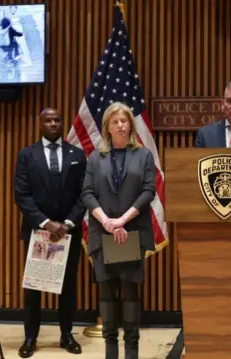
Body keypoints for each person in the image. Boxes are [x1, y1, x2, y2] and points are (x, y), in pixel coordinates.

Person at [80, 102, 156, 359]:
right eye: (115, 122)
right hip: (104, 235)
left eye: (124, 120)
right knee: (107, 296)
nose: (121, 125)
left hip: (131, 234)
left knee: (131, 294)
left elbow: (149, 191)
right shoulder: (94, 157)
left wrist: (122, 220)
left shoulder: (143, 155)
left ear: (131, 125)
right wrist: (107, 223)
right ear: (107, 128)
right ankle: (110, 352)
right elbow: (87, 193)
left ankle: (131, 352)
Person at [14, 108, 87, 358]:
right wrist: (46, 223)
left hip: (68, 233)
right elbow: (21, 195)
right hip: (37, 232)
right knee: (33, 287)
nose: (53, 123)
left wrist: (67, 223)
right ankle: (30, 337)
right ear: (40, 123)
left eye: (57, 120)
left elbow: (83, 194)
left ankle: (66, 335)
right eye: (48, 120)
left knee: (67, 286)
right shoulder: (26, 154)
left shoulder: (77, 155)